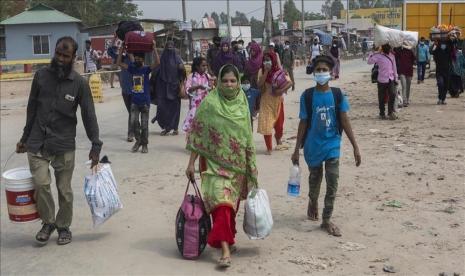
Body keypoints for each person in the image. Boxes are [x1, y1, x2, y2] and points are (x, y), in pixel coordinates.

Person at [15, 36, 102, 245]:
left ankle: (63, 226)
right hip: (37, 141)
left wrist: (95, 144)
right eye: (59, 54)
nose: (61, 59)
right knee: (41, 184)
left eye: (66, 56)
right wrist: (25, 138)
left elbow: (88, 114)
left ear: (73, 57)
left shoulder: (79, 83)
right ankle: (48, 222)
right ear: (54, 52)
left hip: (64, 143)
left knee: (64, 189)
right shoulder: (41, 76)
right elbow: (31, 109)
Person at [185, 64, 258, 268]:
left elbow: (246, 137)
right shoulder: (209, 104)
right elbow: (199, 135)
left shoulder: (243, 104)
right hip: (213, 165)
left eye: (233, 81)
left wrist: (250, 165)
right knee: (222, 205)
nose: (229, 84)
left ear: (238, 82)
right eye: (225, 80)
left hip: (237, 167)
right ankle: (225, 251)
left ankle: (228, 239)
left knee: (230, 208)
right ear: (218, 81)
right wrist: (191, 164)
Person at [291, 55, 361, 237]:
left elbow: (344, 120)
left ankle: (326, 219)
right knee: (315, 179)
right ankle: (312, 201)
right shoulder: (307, 96)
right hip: (313, 146)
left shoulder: (338, 95)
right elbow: (303, 122)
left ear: (331, 72)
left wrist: (355, 146)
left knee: (332, 183)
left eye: (324, 70)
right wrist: (296, 149)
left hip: (332, 145)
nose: (321, 73)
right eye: (318, 70)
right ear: (314, 72)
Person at [117, 41, 159, 153]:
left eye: (139, 58)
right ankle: (138, 141)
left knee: (144, 126)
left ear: (143, 60)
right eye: (136, 58)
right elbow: (119, 63)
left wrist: (154, 47)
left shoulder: (146, 69)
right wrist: (122, 48)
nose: (137, 60)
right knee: (134, 123)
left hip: (145, 102)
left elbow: (157, 62)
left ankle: (144, 145)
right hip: (134, 102)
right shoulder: (132, 68)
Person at [257, 52, 292, 155]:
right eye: (264, 60)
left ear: (273, 61)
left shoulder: (280, 71)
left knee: (279, 126)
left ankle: (278, 139)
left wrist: (280, 91)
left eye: (268, 59)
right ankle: (269, 148)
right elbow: (259, 84)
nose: (266, 62)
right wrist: (266, 72)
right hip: (266, 102)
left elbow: (289, 82)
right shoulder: (261, 71)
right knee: (267, 125)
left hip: (278, 102)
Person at [151, 41, 186, 135]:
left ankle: (175, 127)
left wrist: (181, 68)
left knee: (175, 109)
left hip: (174, 88)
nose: (170, 49)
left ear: (174, 48)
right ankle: (166, 127)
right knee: (162, 108)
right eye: (168, 48)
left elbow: (183, 74)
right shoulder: (161, 59)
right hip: (162, 87)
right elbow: (155, 70)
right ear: (165, 49)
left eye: (171, 48)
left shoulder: (178, 59)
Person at [107, 38, 134, 142]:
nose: (127, 49)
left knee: (132, 112)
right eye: (126, 48)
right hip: (125, 91)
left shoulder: (137, 58)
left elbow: (135, 65)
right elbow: (110, 51)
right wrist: (114, 39)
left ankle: (130, 134)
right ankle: (136, 126)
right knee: (131, 112)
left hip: (135, 91)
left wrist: (131, 53)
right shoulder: (122, 58)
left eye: (128, 48)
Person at [367, 44, 399, 120]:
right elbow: (369, 62)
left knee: (392, 94)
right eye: (387, 48)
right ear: (383, 49)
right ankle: (382, 113)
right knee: (381, 97)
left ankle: (390, 112)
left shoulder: (392, 56)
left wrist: (396, 78)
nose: (388, 50)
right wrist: (373, 52)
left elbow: (394, 68)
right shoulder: (378, 56)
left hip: (390, 79)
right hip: (381, 80)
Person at [182, 56, 212, 133]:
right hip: (195, 104)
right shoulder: (191, 76)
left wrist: (211, 86)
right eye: (203, 65)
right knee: (193, 123)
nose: (205, 67)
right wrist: (198, 87)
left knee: (205, 123)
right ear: (197, 66)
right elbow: (187, 89)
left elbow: (211, 88)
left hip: (206, 103)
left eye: (206, 65)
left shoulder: (207, 76)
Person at [394, 41, 415, 107]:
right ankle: (405, 101)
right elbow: (395, 57)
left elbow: (414, 59)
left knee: (407, 86)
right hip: (402, 71)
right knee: (404, 86)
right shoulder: (399, 51)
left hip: (409, 71)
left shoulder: (410, 52)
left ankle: (407, 99)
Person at [431, 40, 452, 105]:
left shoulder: (448, 51)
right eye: (442, 44)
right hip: (439, 71)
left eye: (444, 44)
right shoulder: (437, 51)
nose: (443, 45)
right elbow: (431, 51)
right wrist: (434, 44)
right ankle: (440, 98)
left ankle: (443, 99)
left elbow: (452, 46)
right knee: (440, 84)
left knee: (446, 85)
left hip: (447, 71)